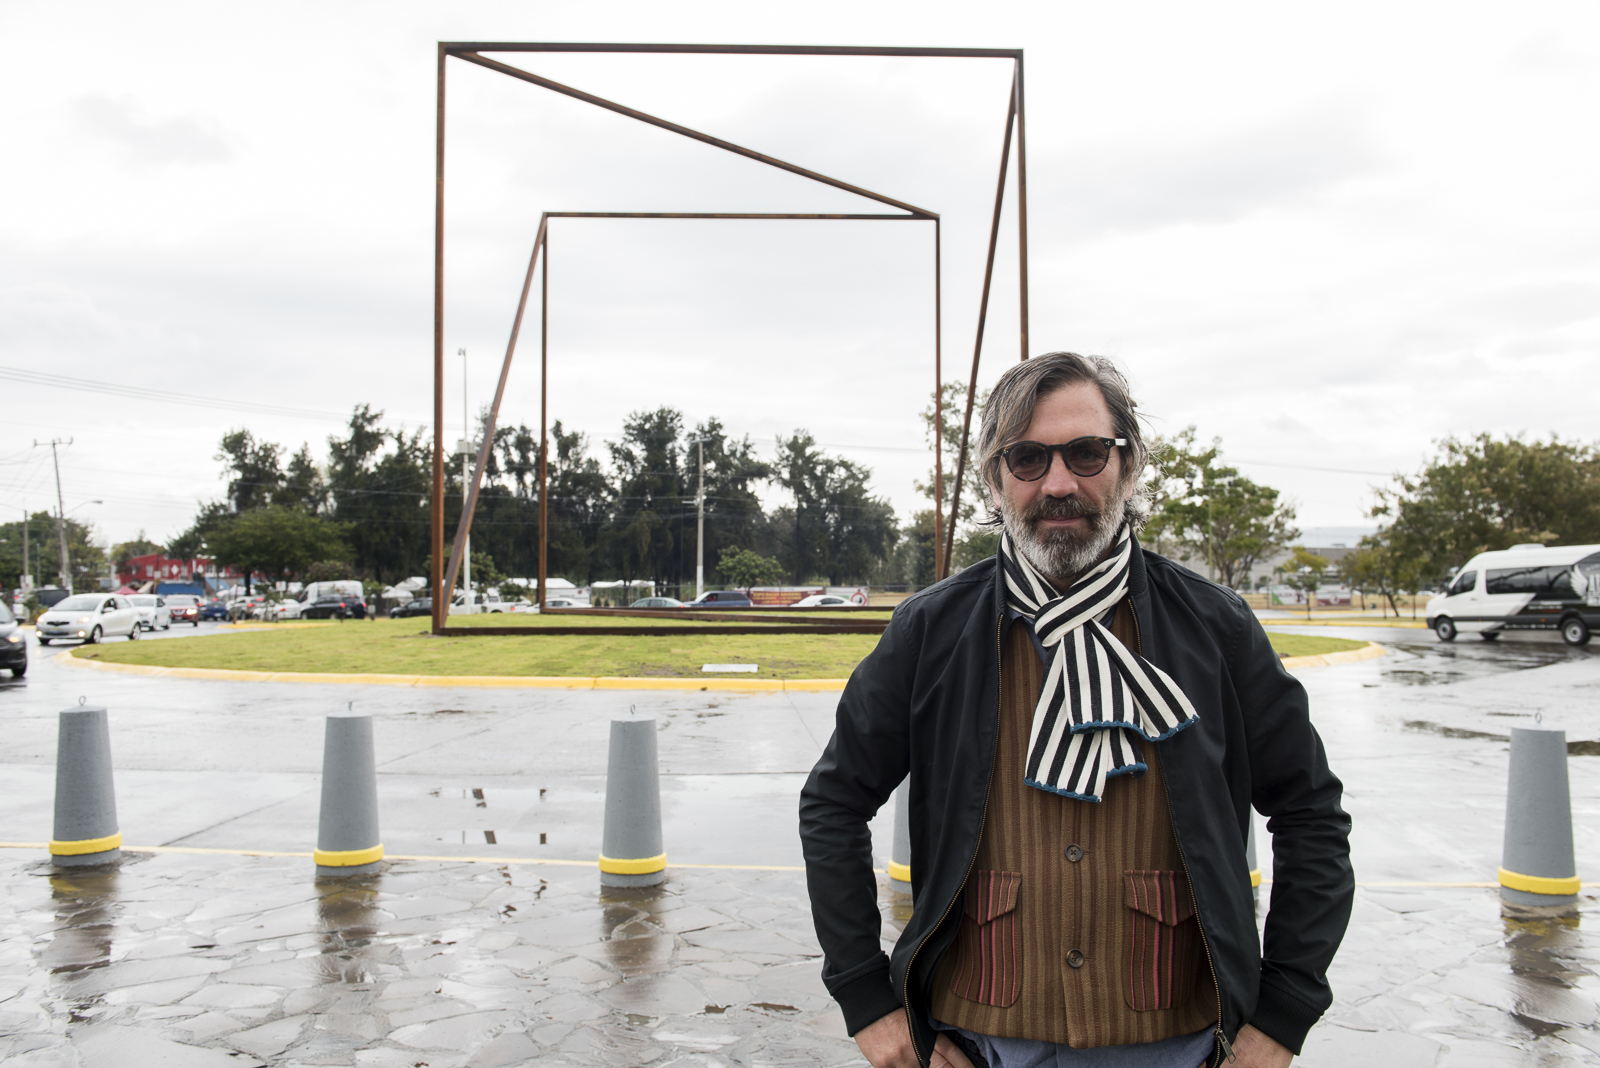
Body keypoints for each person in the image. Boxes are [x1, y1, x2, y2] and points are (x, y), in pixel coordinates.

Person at [799, 353, 1352, 1068]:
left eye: (1086, 453)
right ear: (994, 480)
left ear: (1129, 465)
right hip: (977, 1042)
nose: (1059, 483)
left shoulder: (1215, 628)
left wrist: (1283, 1013)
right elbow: (834, 802)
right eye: (1027, 458)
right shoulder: (931, 631)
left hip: (1181, 1045)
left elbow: (1311, 813)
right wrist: (867, 1000)